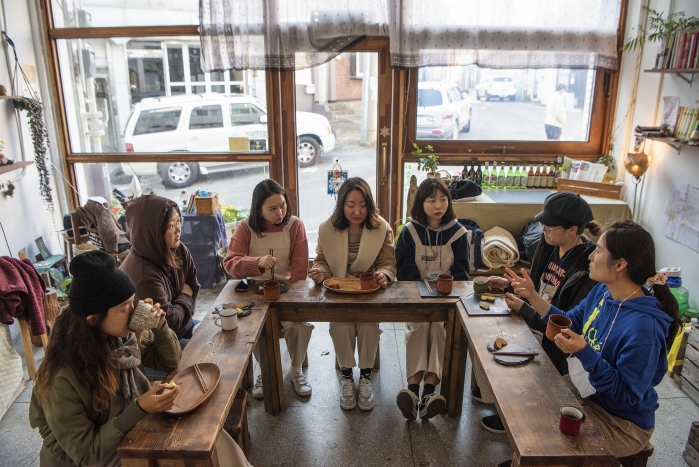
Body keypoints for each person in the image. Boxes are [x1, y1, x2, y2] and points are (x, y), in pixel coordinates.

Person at [503, 221, 680, 462]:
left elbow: (627, 394)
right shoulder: (603, 292)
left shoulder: (644, 329)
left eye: (598, 250)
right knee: (524, 403)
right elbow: (568, 321)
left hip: (620, 421)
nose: (590, 256)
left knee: (541, 439)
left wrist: (585, 352)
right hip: (586, 393)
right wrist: (531, 295)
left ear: (620, 264)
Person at [28, 250, 182, 467]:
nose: (133, 312)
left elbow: (170, 362)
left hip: (121, 437)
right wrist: (139, 408)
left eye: (132, 303)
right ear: (93, 320)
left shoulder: (120, 338)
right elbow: (86, 452)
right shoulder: (63, 377)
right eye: (124, 309)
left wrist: (159, 325)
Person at [476, 192, 602, 434]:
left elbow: (565, 325)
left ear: (572, 230)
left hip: (552, 338)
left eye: (549, 227)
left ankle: (514, 415)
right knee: (485, 335)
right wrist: (509, 285)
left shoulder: (586, 268)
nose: (543, 230)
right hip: (532, 317)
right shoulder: (548, 245)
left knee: (499, 346)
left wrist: (525, 308)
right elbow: (534, 284)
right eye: (543, 224)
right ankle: (496, 398)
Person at [309, 177, 396, 411]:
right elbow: (322, 261)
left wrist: (384, 275)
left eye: (363, 205)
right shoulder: (327, 229)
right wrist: (320, 272)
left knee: (368, 326)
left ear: (370, 205)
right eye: (351, 205)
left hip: (369, 291)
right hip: (339, 291)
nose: (357, 211)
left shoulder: (381, 228)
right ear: (341, 205)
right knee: (340, 325)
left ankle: (365, 378)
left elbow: (387, 263)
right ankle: (347, 377)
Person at [223, 179, 313, 398]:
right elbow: (230, 263)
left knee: (300, 324)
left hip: (288, 290)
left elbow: (300, 271)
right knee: (251, 326)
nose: (279, 213)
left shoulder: (295, 225)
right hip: (255, 292)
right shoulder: (245, 228)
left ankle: (295, 369)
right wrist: (257, 262)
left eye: (282, 205)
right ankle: (264, 371)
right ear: (258, 209)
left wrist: (293, 298)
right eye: (272, 209)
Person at [394, 178, 470, 421]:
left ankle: (428, 392)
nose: (438, 206)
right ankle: (413, 391)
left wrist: (444, 292)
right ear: (421, 203)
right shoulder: (409, 232)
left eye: (443, 199)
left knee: (437, 327)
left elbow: (462, 274)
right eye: (431, 200)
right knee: (420, 326)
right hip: (416, 300)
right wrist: (424, 293)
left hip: (446, 303)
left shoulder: (458, 233)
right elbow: (404, 271)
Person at [121, 195, 200, 340]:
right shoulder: (143, 273)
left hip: (184, 326)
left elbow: (194, 287)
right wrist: (184, 296)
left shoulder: (178, 249)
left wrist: (179, 308)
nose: (178, 229)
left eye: (179, 221)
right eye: (171, 225)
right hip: (159, 344)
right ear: (153, 231)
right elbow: (170, 324)